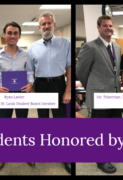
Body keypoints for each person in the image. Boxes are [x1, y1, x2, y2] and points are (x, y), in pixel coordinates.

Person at [76, 15, 121, 174]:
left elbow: (115, 71)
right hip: (99, 95)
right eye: (105, 26)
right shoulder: (90, 47)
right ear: (98, 27)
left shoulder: (116, 47)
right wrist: (92, 87)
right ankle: (101, 160)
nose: (109, 28)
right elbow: (81, 72)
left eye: (110, 25)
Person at [28, 11, 71, 174]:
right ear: (39, 27)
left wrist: (68, 90)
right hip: (40, 86)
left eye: (49, 23)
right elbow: (30, 70)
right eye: (43, 24)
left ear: (54, 25)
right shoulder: (33, 47)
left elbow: (69, 67)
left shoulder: (65, 42)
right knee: (43, 119)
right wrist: (32, 89)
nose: (46, 26)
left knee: (61, 121)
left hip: (59, 85)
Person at [0, 21, 35, 169]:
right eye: (9, 33)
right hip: (5, 94)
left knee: (22, 123)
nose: (12, 36)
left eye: (15, 33)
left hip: (22, 93)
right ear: (4, 35)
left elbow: (29, 73)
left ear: (19, 35)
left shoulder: (26, 54)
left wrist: (30, 84)